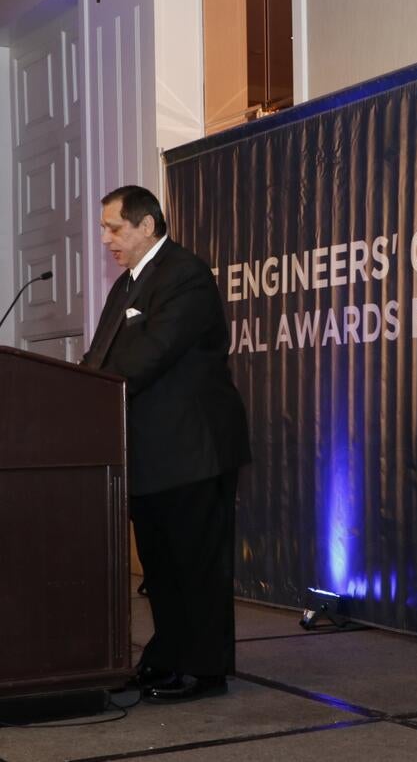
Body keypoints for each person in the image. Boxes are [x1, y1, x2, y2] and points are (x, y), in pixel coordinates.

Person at [82, 185, 250, 703]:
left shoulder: (185, 274)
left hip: (192, 449)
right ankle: (169, 656)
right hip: (150, 453)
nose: (106, 238)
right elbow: (100, 356)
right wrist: (78, 390)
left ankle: (205, 669)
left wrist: (95, 386)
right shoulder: (127, 284)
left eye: (114, 227)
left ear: (147, 226)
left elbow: (152, 355)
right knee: (160, 567)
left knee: (195, 564)